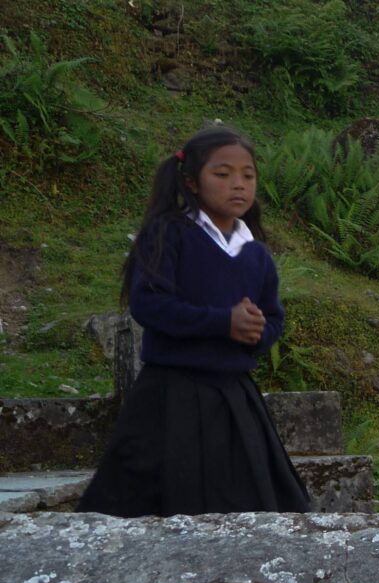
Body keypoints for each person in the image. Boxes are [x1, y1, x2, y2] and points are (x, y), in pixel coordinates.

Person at [77, 126, 311, 516]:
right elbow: (149, 305)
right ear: (192, 182)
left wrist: (256, 332)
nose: (238, 185)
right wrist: (223, 323)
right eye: (222, 174)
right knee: (157, 507)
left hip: (236, 399)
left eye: (248, 175)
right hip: (171, 397)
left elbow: (273, 317)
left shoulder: (256, 254)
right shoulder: (168, 234)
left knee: (249, 508)